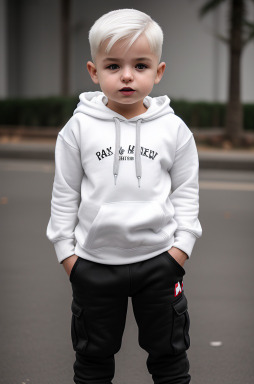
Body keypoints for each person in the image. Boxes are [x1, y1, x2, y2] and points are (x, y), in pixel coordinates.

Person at [46, 8, 202, 384]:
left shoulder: (174, 130)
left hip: (159, 263)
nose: (128, 75)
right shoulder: (78, 129)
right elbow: (65, 193)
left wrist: (180, 250)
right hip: (94, 264)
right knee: (92, 360)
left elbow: (186, 192)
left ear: (158, 72)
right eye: (113, 66)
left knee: (170, 357)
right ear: (94, 71)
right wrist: (67, 255)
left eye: (141, 65)